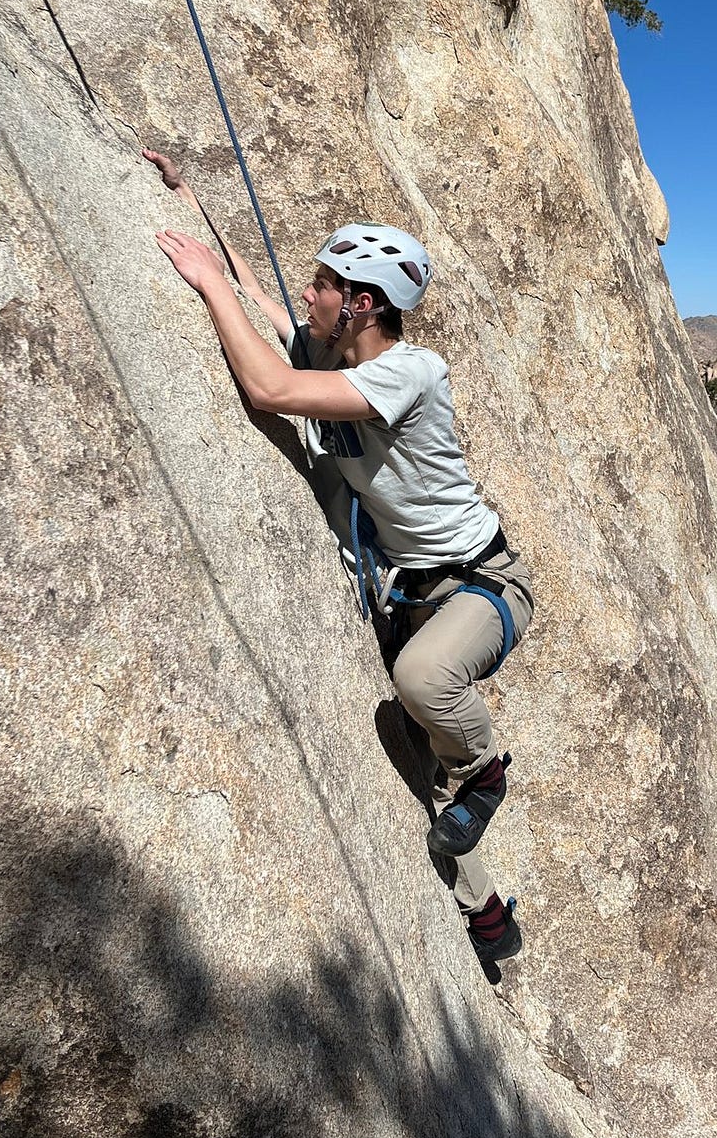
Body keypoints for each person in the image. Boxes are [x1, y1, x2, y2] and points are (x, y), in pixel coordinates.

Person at [144, 151, 533, 966]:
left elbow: (272, 391)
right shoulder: (336, 353)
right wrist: (191, 196)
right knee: (414, 771)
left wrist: (206, 283)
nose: (308, 293)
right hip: (414, 595)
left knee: (424, 682)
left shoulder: (411, 372)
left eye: (323, 283)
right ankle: (490, 915)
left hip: (484, 584)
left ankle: (487, 768)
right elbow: (268, 307)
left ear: (361, 303)